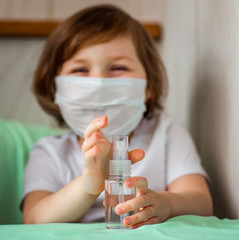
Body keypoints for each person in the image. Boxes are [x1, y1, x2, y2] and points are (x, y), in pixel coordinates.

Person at [21, 4, 213, 228]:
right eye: (80, 70)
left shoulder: (166, 132)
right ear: (56, 89)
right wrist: (87, 187)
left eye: (118, 67)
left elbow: (202, 203)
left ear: (148, 87)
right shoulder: (50, 152)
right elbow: (33, 218)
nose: (99, 83)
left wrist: (166, 205)